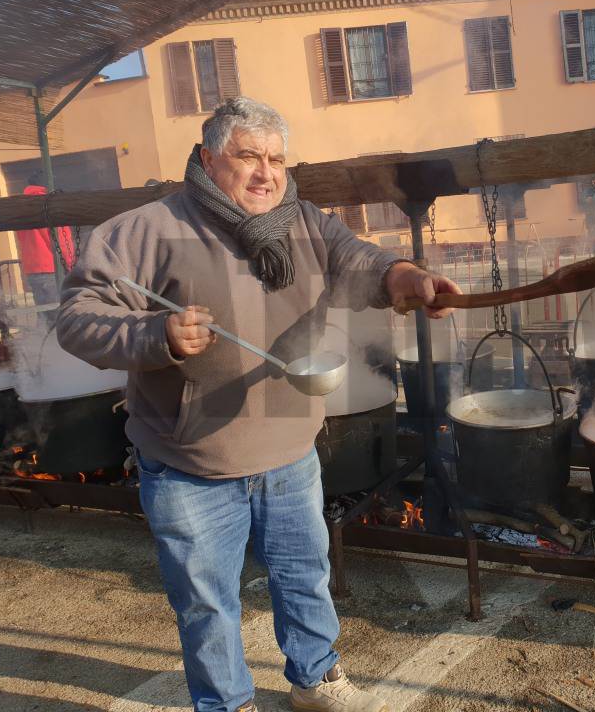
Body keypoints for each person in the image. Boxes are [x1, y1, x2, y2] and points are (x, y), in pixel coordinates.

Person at [57, 97, 462, 712]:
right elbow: (78, 320)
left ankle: (315, 680)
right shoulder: (144, 230)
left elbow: (361, 262)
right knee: (206, 601)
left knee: (305, 578)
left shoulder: (304, 223)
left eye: (275, 158)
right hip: (190, 461)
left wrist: (406, 278)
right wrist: (154, 337)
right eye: (247, 156)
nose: (265, 173)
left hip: (290, 451)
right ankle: (227, 702)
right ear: (206, 158)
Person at [13, 173, 76, 307]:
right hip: (51, 268)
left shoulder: (21, 207)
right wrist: (70, 264)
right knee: (59, 311)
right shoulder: (50, 204)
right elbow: (62, 240)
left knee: (44, 314)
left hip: (32, 269)